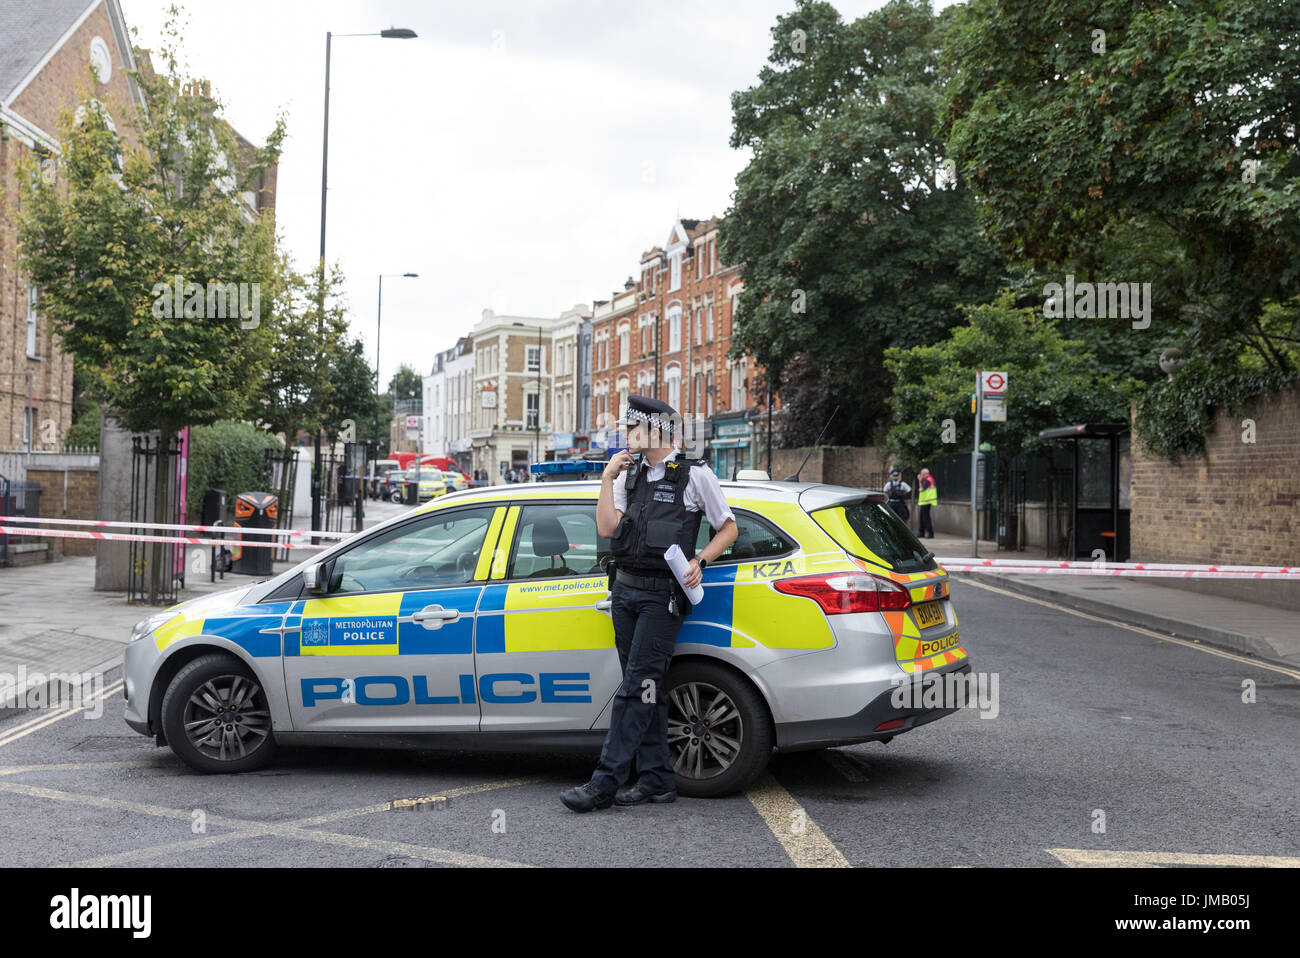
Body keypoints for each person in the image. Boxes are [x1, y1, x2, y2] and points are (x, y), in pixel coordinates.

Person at [560, 395, 737, 812]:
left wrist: (701, 559)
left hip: (662, 597)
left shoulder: (695, 475)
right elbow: (606, 527)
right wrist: (606, 478)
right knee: (646, 689)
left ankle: (604, 782)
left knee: (635, 687)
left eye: (631, 429)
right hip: (624, 593)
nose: (625, 436)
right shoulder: (628, 474)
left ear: (656, 431)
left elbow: (728, 527)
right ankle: (657, 779)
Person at [917, 467, 936, 538]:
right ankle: (921, 533)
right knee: (922, 517)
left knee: (925, 518)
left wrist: (919, 480)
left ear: (925, 474)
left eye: (921, 474)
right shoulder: (929, 479)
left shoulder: (927, 480)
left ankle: (930, 533)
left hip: (926, 502)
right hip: (925, 502)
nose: (921, 475)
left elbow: (921, 489)